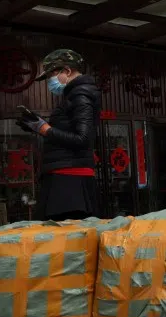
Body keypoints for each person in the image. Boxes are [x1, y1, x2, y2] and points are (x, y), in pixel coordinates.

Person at [16, 49, 102, 221]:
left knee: (65, 236)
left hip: (70, 180)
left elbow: (83, 138)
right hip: (65, 176)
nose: (49, 82)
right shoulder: (73, 96)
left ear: (67, 71)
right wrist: (37, 126)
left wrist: (45, 129)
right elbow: (67, 132)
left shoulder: (80, 96)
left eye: (51, 75)